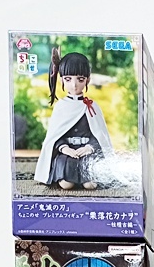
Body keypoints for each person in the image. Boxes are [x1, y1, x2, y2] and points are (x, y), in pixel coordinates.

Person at [34, 49, 114, 191]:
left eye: (80, 79)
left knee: (90, 185)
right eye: (68, 79)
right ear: (62, 80)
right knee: (66, 184)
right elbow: (54, 136)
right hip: (67, 153)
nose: (74, 85)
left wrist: (89, 147)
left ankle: (83, 178)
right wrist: (65, 148)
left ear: (88, 80)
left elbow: (100, 134)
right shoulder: (61, 107)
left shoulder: (92, 106)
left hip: (87, 152)